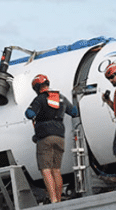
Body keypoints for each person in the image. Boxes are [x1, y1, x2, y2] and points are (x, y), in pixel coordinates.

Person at [25, 74, 78, 203]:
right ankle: (58, 199)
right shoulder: (60, 97)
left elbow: (29, 114)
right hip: (60, 137)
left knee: (46, 170)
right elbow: (74, 112)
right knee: (56, 170)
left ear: (37, 87)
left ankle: (53, 200)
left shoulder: (39, 99)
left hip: (45, 138)